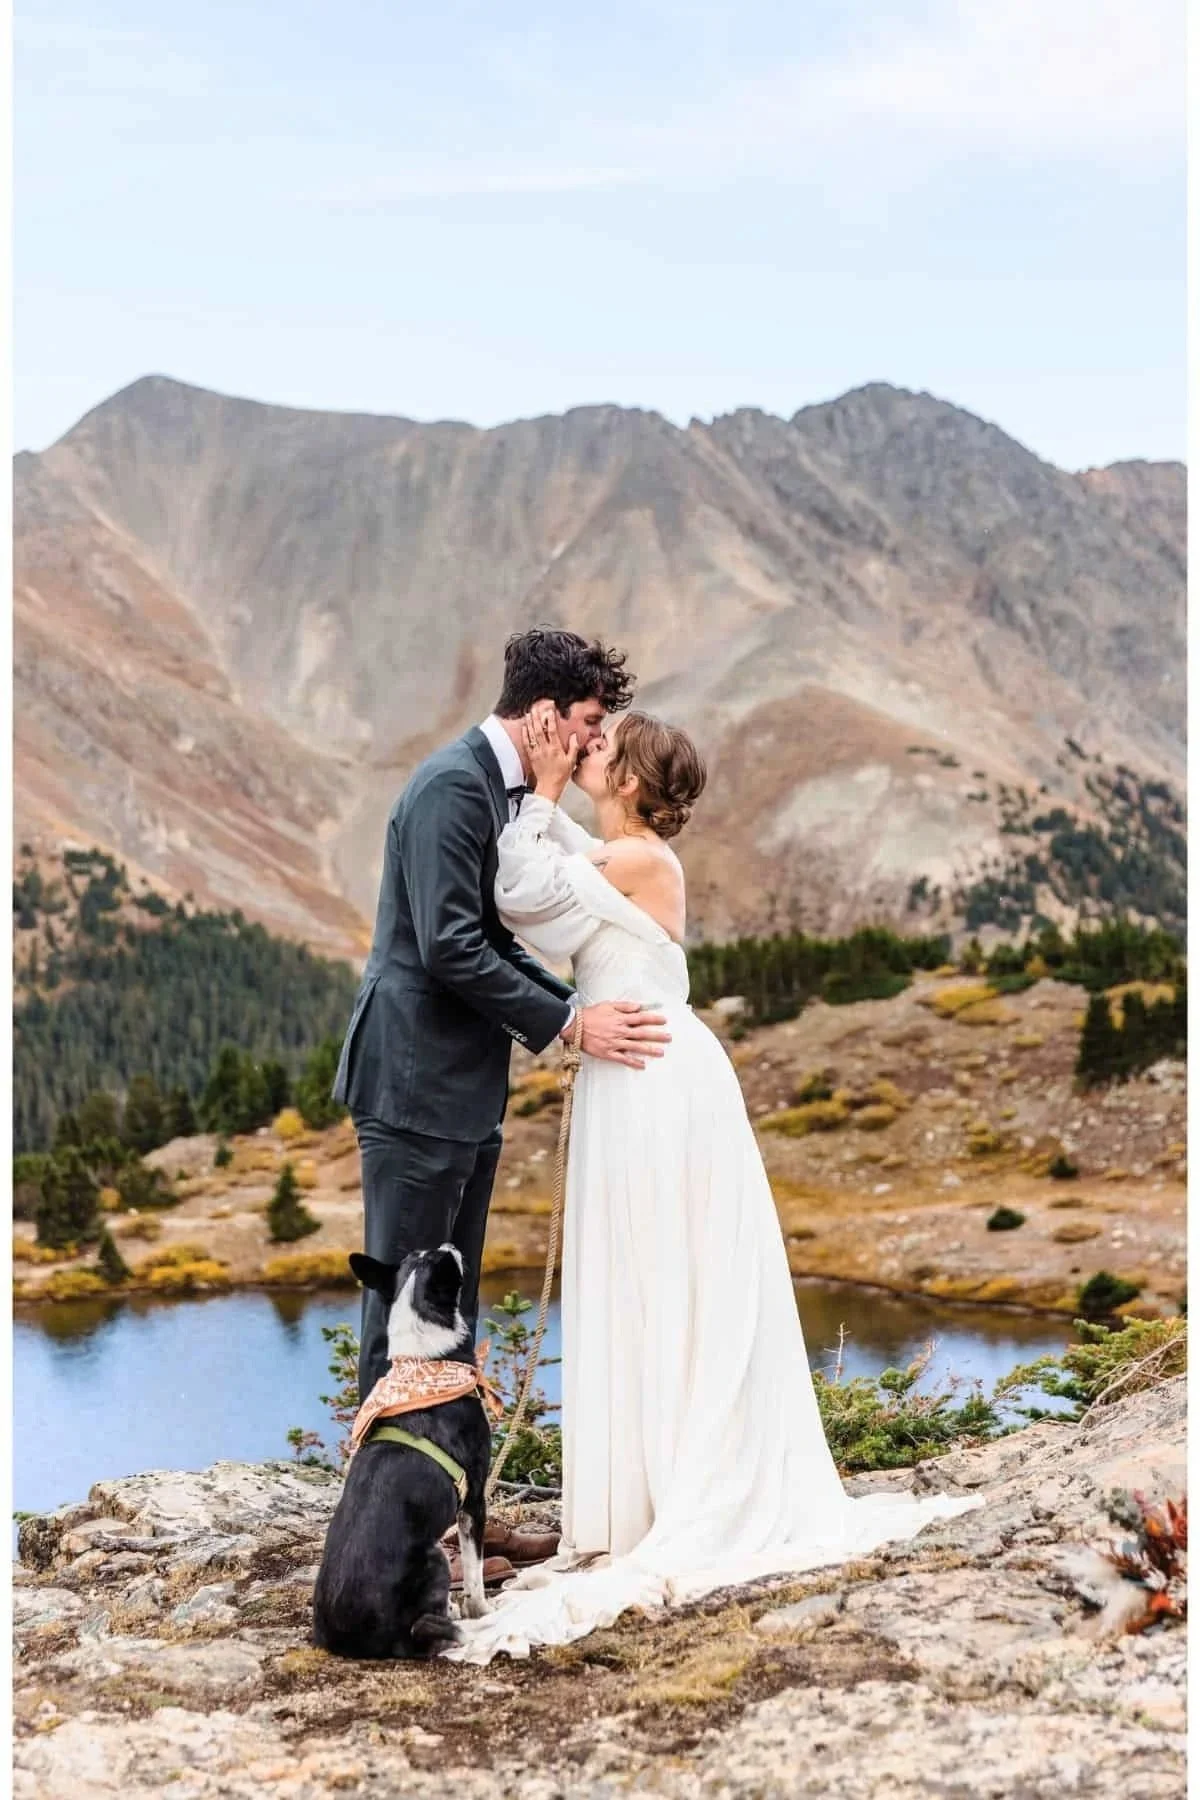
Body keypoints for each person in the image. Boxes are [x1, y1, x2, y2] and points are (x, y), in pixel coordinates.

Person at [446, 707, 981, 1663]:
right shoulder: (617, 850)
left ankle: (682, 1485)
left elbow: (522, 888)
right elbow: (551, 853)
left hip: (658, 1081)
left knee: (669, 1269)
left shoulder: (644, 860)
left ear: (635, 783)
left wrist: (543, 781)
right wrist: (552, 790)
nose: (587, 749)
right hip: (626, 1074)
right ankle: (640, 1491)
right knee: (640, 1272)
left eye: (602, 748)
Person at [332, 629, 672, 1408]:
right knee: (403, 1309)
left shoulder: (500, 789)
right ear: (545, 715)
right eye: (589, 720)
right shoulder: (454, 786)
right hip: (414, 1083)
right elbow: (450, 947)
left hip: (462, 1087)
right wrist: (568, 1026)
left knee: (451, 1305)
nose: (595, 740)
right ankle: (388, 1517)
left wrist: (574, 1009)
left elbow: (490, 939)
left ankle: (453, 1508)